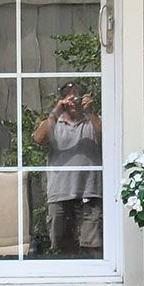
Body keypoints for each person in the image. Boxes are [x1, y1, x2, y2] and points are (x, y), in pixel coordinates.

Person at [31, 81, 102, 255]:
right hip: (60, 193)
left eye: (77, 97)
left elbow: (107, 139)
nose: (74, 103)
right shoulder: (54, 122)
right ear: (61, 100)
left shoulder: (91, 121)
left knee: (92, 248)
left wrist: (90, 112)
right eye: (70, 98)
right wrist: (56, 112)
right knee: (59, 248)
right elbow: (39, 139)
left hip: (89, 192)